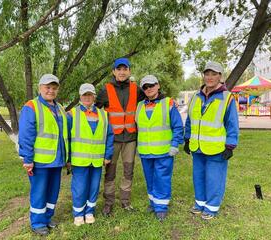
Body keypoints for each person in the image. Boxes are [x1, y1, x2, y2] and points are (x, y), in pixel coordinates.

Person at [184, 61, 239, 220]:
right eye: (207, 74)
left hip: (217, 147)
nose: (209, 77)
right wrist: (187, 139)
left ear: (220, 77)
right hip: (197, 146)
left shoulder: (227, 98)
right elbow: (190, 120)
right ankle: (200, 203)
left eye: (213, 74)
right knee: (199, 176)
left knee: (214, 178)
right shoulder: (195, 96)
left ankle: (212, 207)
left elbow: (232, 124)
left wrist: (230, 146)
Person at [18, 74, 69, 235]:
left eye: (54, 88)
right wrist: (27, 159)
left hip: (57, 160)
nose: (51, 91)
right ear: (40, 88)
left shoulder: (60, 108)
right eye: (47, 87)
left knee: (53, 191)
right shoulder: (31, 106)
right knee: (39, 192)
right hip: (39, 161)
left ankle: (47, 218)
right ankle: (38, 222)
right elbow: (26, 135)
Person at [96, 58, 145, 216]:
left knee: (128, 171)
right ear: (114, 72)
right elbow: (94, 111)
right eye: (119, 69)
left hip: (130, 138)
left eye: (125, 69)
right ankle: (109, 203)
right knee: (110, 171)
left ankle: (125, 201)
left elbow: (152, 97)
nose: (122, 72)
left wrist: (165, 98)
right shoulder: (106, 90)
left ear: (129, 71)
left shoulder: (136, 89)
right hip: (112, 140)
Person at [136, 75, 184, 221]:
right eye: (145, 87)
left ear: (158, 85)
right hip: (145, 152)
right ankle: (153, 202)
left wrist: (175, 144)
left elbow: (177, 126)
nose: (148, 88)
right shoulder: (139, 106)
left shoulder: (169, 104)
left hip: (164, 151)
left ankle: (161, 207)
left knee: (162, 179)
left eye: (151, 85)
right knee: (149, 179)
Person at [67, 83, 114, 226]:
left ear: (94, 96)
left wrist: (107, 155)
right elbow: (66, 138)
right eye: (84, 94)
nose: (87, 97)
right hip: (79, 160)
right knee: (80, 187)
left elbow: (109, 136)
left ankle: (89, 212)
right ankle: (78, 214)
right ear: (80, 96)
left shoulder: (104, 115)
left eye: (90, 95)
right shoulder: (72, 114)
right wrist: (68, 159)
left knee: (94, 186)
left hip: (97, 159)